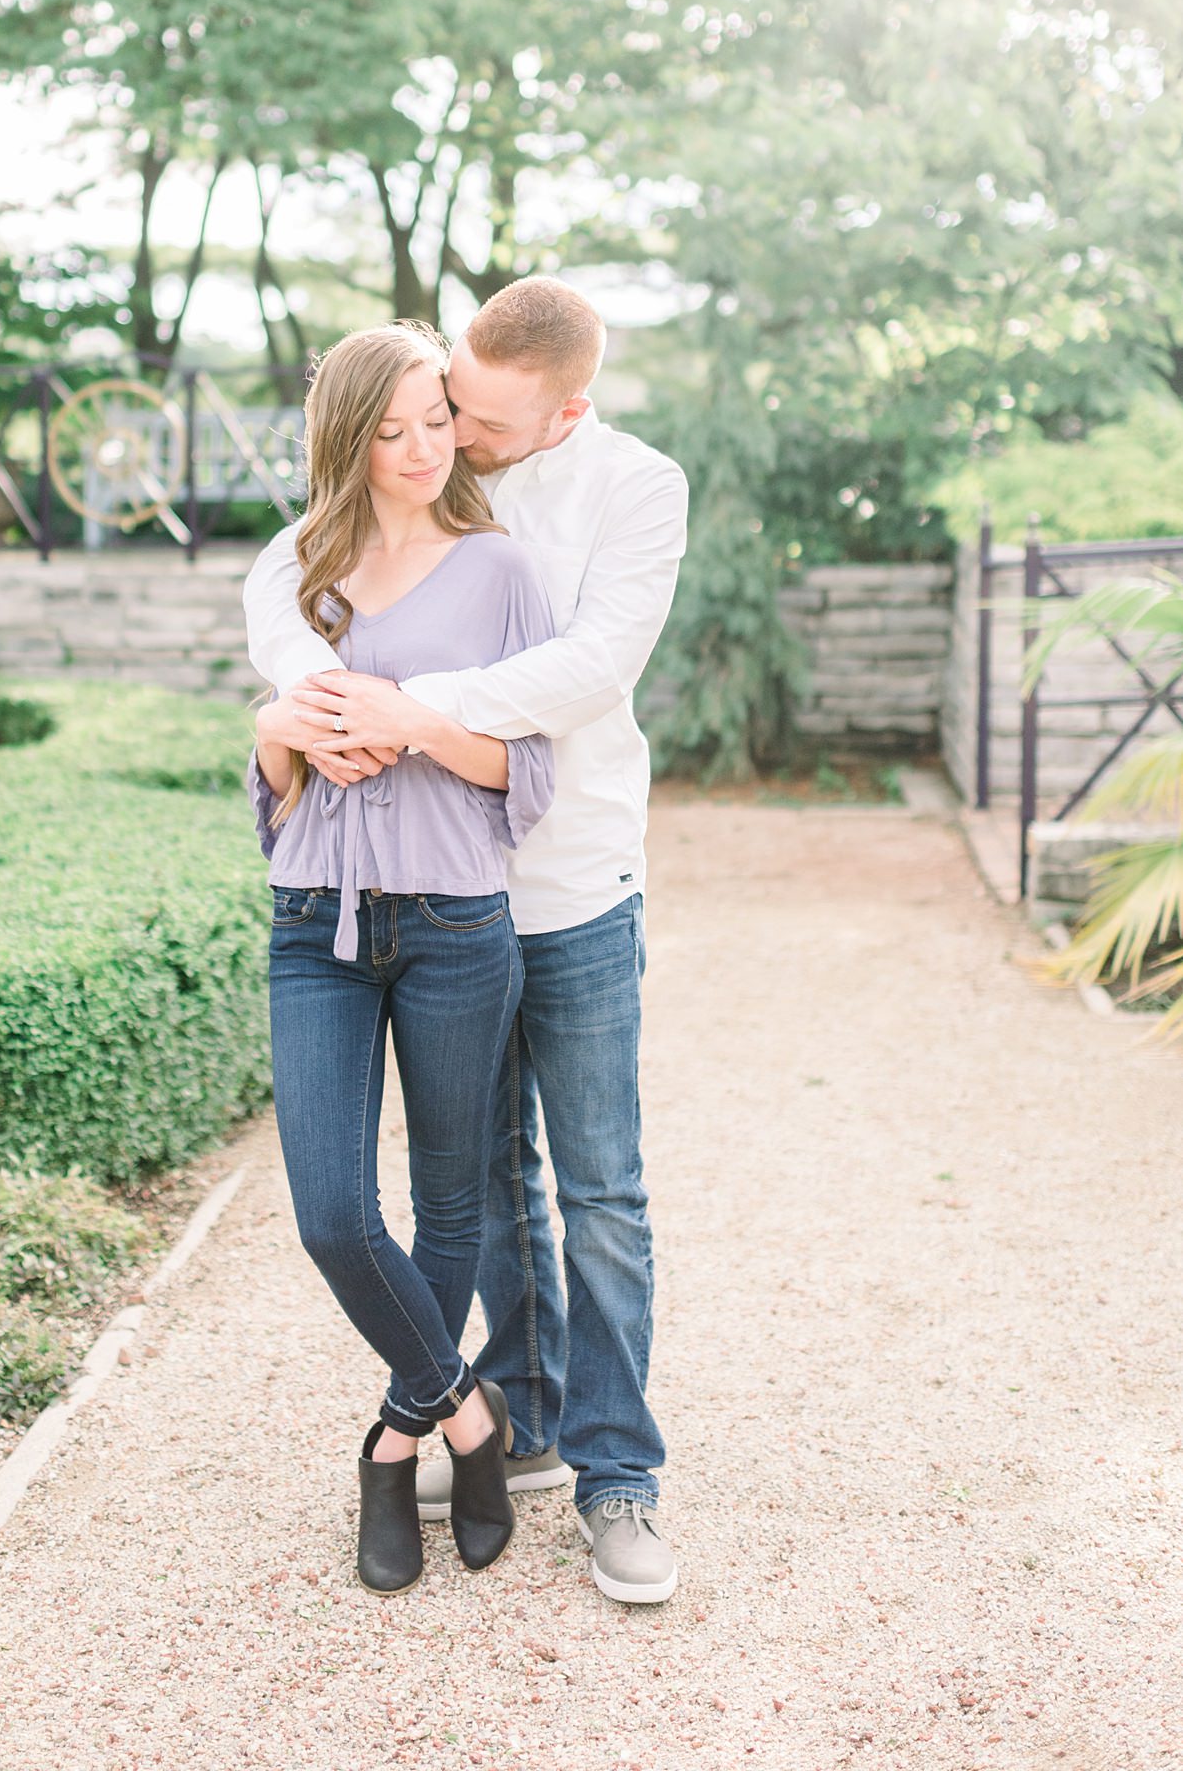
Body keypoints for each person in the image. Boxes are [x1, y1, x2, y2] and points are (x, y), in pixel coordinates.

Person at [245, 276, 688, 1606]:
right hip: (437, 892)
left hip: (574, 880)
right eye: (438, 407)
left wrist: (400, 709)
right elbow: (288, 604)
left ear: (566, 409)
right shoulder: (393, 502)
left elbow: (585, 674)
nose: (451, 437)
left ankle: (619, 1480)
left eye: (475, 420)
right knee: (488, 1193)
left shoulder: (631, 488)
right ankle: (511, 1418)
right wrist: (294, 709)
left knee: (599, 1193)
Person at [248, 321, 556, 1596]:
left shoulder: (500, 571)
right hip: (315, 921)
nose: (423, 447)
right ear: (347, 437)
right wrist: (280, 733)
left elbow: (526, 774)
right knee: (329, 1211)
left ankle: (391, 1447)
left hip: (454, 924)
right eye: (392, 430)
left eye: (438, 419)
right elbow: (272, 786)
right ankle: (463, 1415)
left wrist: (416, 725)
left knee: (451, 1208)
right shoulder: (299, 571)